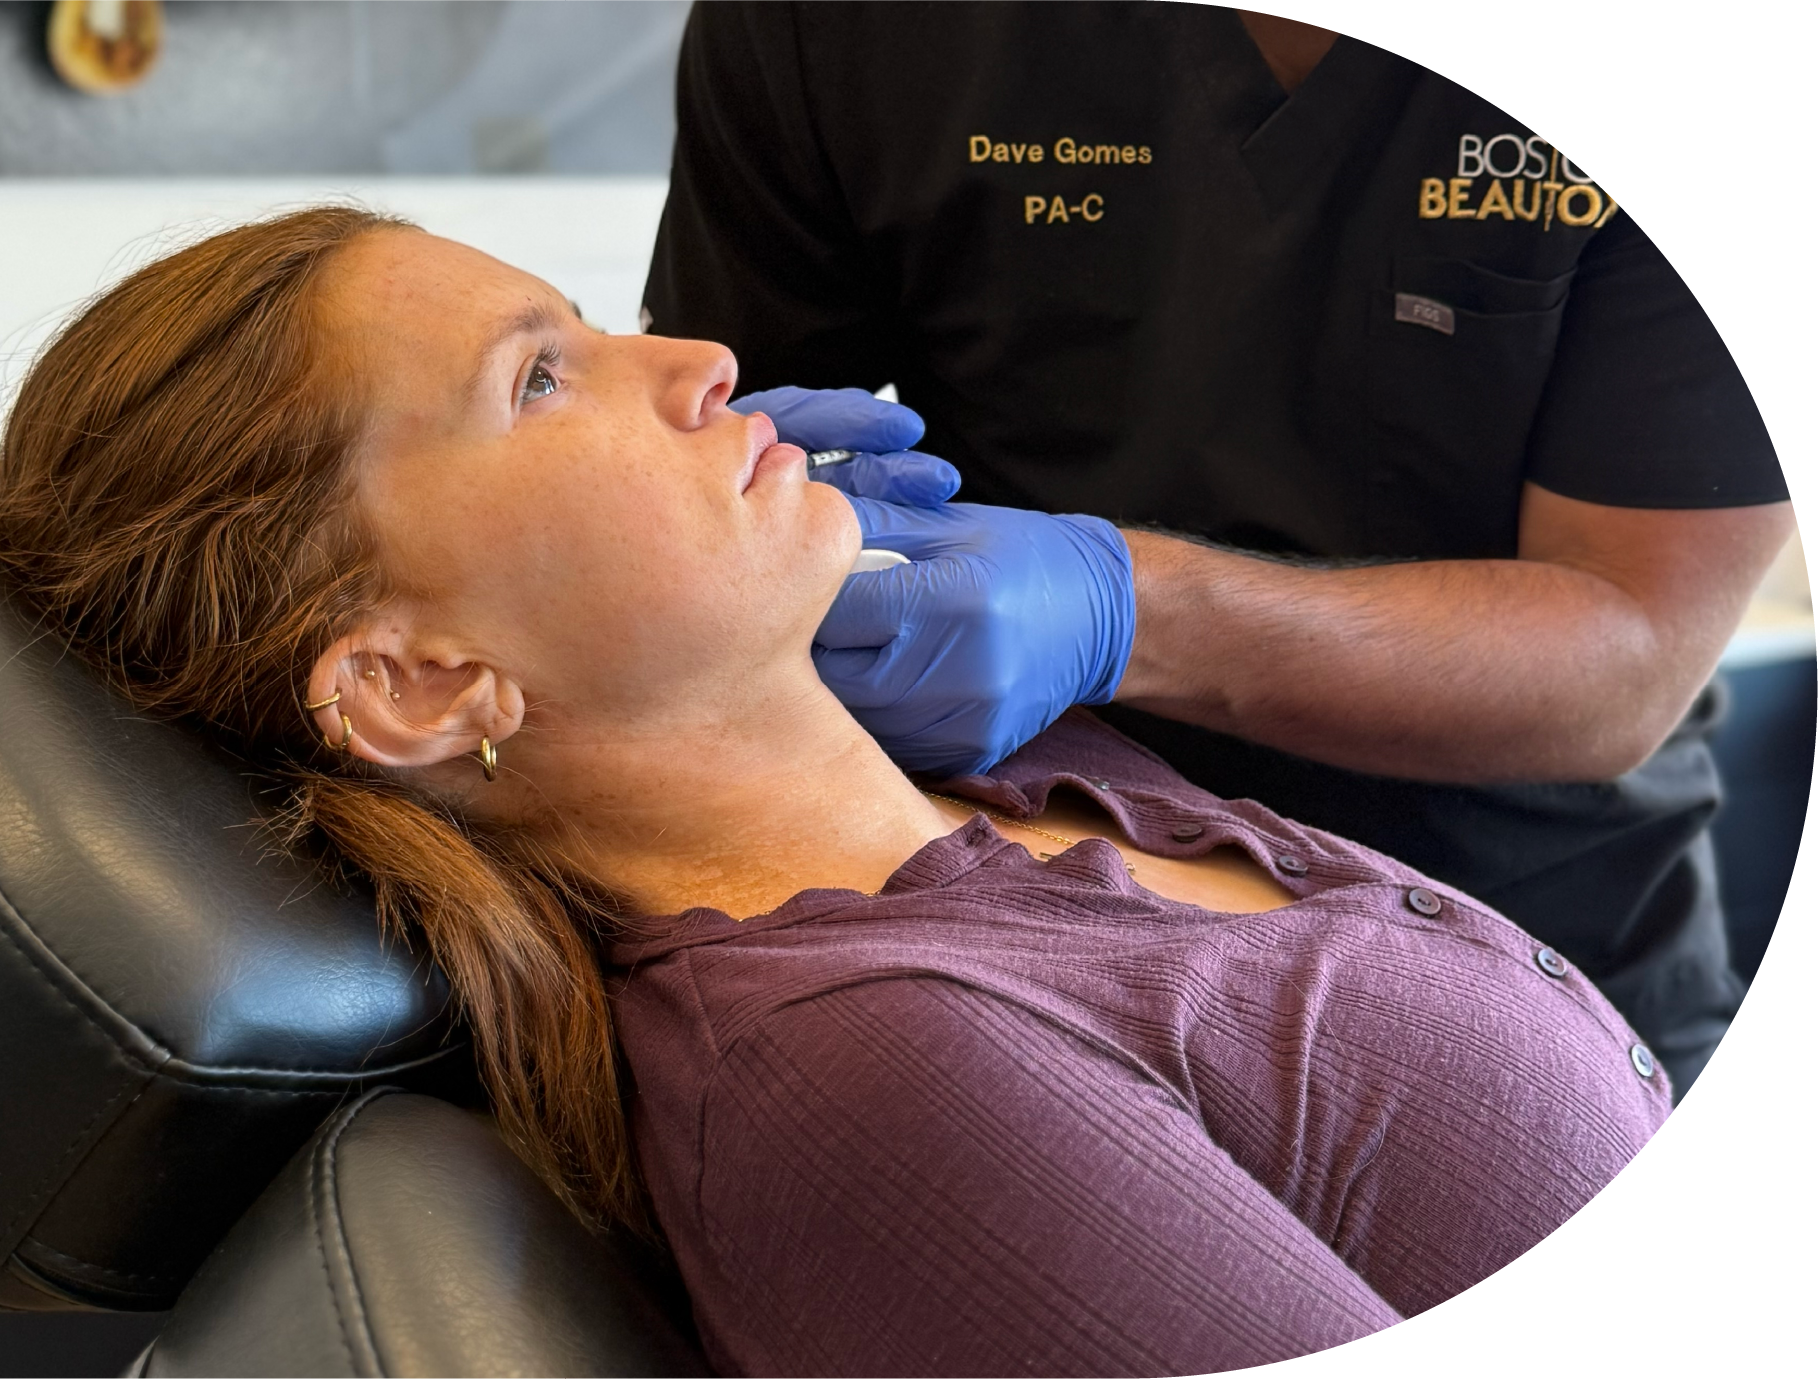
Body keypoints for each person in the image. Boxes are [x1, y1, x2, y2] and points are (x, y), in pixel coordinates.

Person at [0, 210, 1668, 1379]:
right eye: (542, 377)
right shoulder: (873, 1083)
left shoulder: (1005, 763)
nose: (703, 361)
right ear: (420, 681)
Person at [641, 1, 1796, 1097]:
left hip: (1539, 947)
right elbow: (707, 505)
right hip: (1033, 939)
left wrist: (1127, 607)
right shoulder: (835, 32)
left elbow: (1631, 647)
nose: (643, 376)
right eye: (554, 372)